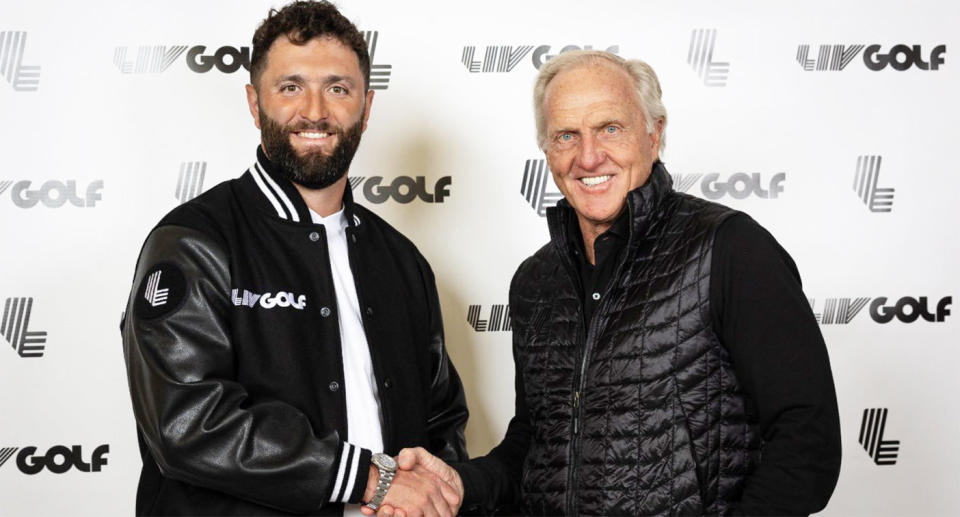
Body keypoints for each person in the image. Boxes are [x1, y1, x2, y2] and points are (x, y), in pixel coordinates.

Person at [382, 50, 842, 516]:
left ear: (654, 133)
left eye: (610, 128)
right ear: (546, 149)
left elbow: (808, 442)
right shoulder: (535, 282)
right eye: (566, 135)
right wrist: (460, 482)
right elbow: (535, 446)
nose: (588, 156)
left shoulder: (729, 249)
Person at [120, 2, 466, 515]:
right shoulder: (193, 242)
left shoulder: (400, 260)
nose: (315, 111)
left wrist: (436, 492)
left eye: (338, 88)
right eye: (290, 87)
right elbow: (186, 423)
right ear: (254, 104)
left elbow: (441, 419)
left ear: (367, 108)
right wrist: (369, 479)